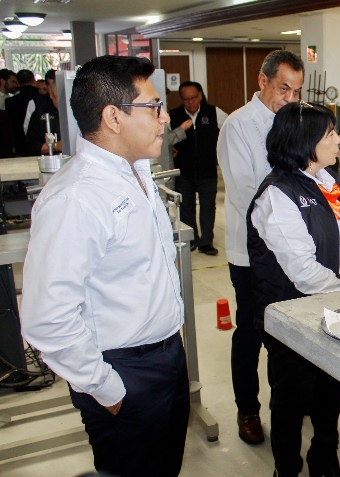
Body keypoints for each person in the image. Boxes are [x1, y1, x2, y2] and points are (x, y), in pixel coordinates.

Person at [20, 55, 189, 477]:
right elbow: (47, 319)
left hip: (168, 354)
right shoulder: (76, 198)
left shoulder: (136, 172)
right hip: (123, 370)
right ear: (114, 117)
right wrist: (105, 387)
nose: (165, 118)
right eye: (153, 107)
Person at [247, 101, 340, 477]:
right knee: (292, 394)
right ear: (305, 142)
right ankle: (287, 468)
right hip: (293, 310)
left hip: (335, 301)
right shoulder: (277, 195)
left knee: (331, 385)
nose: (338, 140)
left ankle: (324, 459)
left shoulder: (327, 181)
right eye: (330, 134)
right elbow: (302, 270)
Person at [217, 49, 304, 445]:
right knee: (251, 332)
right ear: (262, 81)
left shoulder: (295, 122)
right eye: (283, 88)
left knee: (286, 333)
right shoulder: (238, 126)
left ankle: (286, 402)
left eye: (296, 91)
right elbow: (245, 193)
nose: (289, 98)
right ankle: (248, 409)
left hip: (291, 252)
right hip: (250, 253)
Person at [170, 81, 228, 255]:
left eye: (193, 98)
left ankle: (206, 242)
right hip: (184, 171)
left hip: (207, 170)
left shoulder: (213, 112)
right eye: (186, 99)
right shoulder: (174, 115)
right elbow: (166, 140)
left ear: (200, 96)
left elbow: (231, 129)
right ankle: (191, 239)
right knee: (186, 207)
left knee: (208, 206)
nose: (190, 102)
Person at [24, 69, 61, 156]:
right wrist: (55, 146)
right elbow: (31, 145)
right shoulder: (40, 112)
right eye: (58, 97)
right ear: (51, 95)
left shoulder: (80, 112)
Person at [5, 69, 39, 155]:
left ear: (18, 82)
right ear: (34, 80)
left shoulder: (10, 102)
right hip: (40, 147)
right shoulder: (41, 99)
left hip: (19, 147)